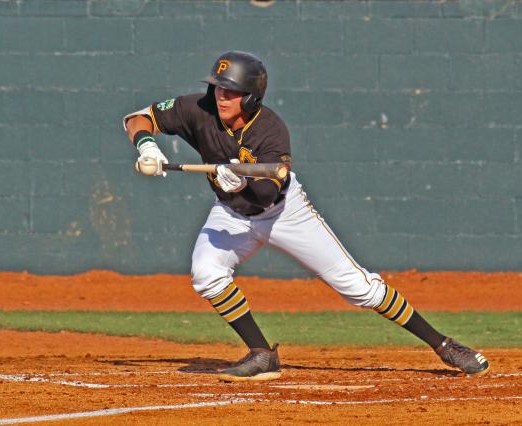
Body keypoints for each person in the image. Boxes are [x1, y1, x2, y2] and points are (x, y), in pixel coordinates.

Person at [123, 50, 490, 382]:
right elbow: (140, 117)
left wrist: (235, 183)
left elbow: (269, 189)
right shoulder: (198, 108)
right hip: (231, 215)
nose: (221, 96)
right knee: (206, 274)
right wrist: (147, 145)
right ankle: (261, 354)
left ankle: (443, 345)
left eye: (230, 91)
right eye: (218, 88)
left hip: (283, 212)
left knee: (359, 288)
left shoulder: (270, 131)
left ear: (251, 96)